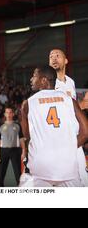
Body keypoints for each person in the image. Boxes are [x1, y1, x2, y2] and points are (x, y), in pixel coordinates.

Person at [20, 66, 88, 187]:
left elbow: (27, 136)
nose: (31, 79)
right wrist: (70, 147)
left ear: (44, 80)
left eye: (34, 76)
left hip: (40, 166)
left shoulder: (27, 104)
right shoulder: (69, 100)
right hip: (67, 166)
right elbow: (86, 132)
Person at [49, 48, 88, 186]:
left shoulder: (70, 82)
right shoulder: (49, 85)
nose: (54, 58)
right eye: (51, 56)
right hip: (61, 141)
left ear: (66, 60)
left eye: (57, 55)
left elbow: (72, 109)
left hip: (76, 139)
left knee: (83, 181)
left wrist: (82, 105)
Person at [0, 107, 26, 186]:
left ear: (13, 114)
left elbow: (21, 139)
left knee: (18, 173)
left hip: (15, 150)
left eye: (10, 112)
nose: (8, 114)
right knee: (1, 173)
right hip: (3, 151)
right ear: (5, 114)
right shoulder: (0, 126)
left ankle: (21, 188)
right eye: (7, 112)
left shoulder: (17, 125)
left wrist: (23, 151)